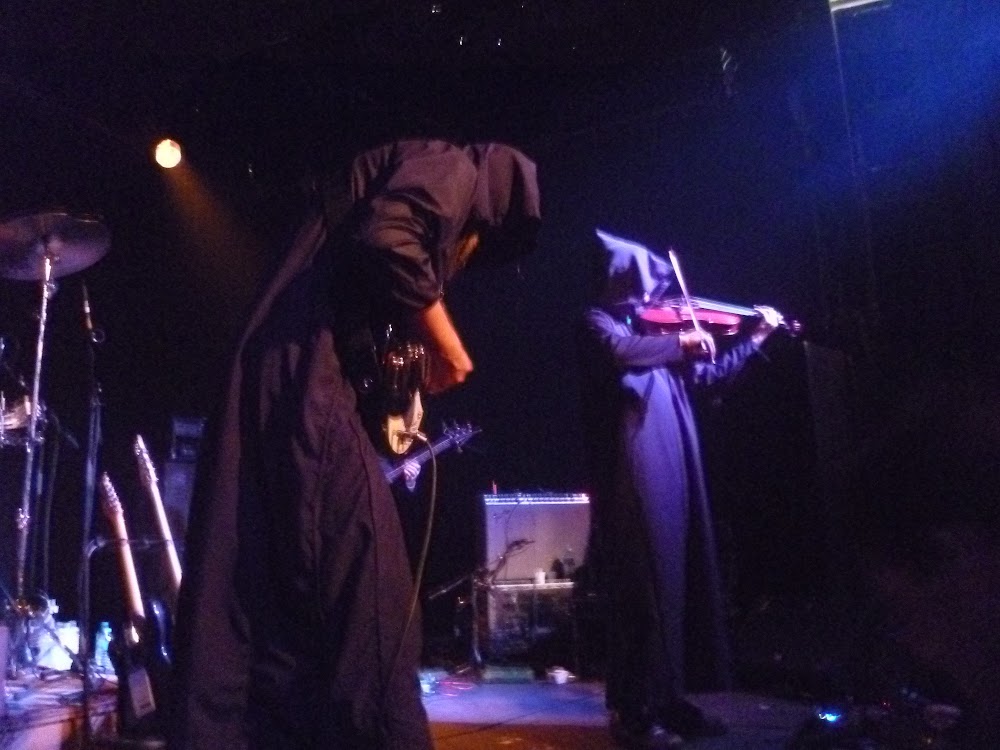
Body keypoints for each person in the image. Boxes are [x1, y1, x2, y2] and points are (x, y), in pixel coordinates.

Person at [169, 139, 540, 750]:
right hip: (309, 379)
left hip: (284, 373)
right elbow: (388, 235)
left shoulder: (397, 173)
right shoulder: (457, 169)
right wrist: (447, 347)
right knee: (371, 599)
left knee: (273, 604)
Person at [577, 229, 782, 749]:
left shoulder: (654, 335)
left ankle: (669, 698)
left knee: (674, 584)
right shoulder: (599, 324)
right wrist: (679, 343)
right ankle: (633, 711)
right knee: (641, 591)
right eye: (642, 285)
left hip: (675, 467)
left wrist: (756, 338)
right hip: (634, 471)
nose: (652, 296)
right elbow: (620, 351)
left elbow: (710, 377)